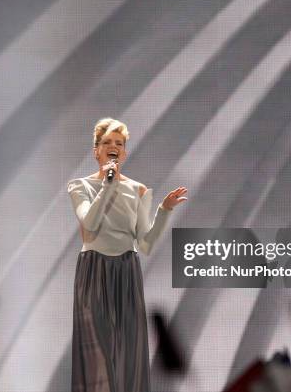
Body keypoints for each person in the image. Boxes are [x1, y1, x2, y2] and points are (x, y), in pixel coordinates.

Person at [67, 118, 187, 392]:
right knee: (97, 351)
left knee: (128, 352)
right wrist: (108, 186)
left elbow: (144, 244)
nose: (113, 147)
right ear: (96, 150)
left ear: (125, 152)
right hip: (94, 269)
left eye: (118, 144)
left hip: (126, 270)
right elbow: (90, 223)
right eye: (107, 142)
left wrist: (164, 211)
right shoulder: (80, 186)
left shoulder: (138, 190)